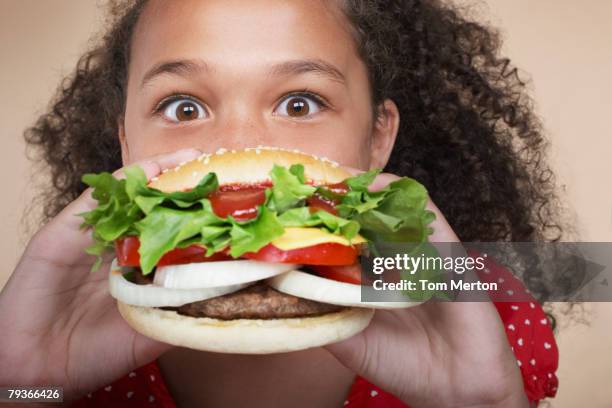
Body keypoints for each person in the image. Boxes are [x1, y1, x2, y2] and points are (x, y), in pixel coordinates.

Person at [0, 0, 562, 406]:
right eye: (183, 107)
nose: (238, 146)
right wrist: (22, 388)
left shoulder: (485, 315)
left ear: (377, 139)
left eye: (299, 103)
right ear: (126, 142)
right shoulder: (61, 332)